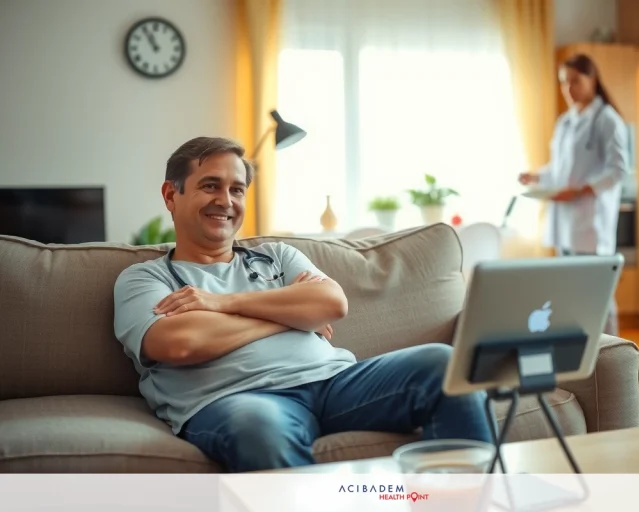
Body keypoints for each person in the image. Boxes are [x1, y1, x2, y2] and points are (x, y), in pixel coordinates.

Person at [113, 136, 493, 472]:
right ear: (170, 195)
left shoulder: (276, 256)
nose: (225, 201)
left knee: (441, 364)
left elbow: (330, 303)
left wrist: (220, 304)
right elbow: (182, 343)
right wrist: (290, 317)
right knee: (257, 430)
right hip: (239, 401)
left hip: (336, 383)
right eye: (210, 186)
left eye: (237, 189)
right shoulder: (145, 279)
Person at [518, 53, 630, 336]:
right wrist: (537, 176)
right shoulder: (565, 122)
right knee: (568, 295)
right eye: (563, 83)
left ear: (592, 79)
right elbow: (560, 168)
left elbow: (618, 170)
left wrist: (580, 190)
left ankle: (611, 354)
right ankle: (577, 357)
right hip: (565, 223)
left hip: (590, 223)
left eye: (575, 81)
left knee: (597, 296)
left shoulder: (607, 120)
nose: (568, 89)